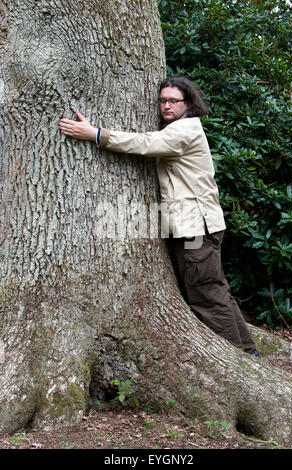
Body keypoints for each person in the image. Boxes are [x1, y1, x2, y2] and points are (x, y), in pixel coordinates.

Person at [59, 76, 260, 357]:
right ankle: (249, 354)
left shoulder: (185, 130)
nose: (166, 105)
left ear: (188, 103)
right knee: (214, 291)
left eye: (173, 100)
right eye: (163, 100)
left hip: (195, 231)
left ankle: (240, 359)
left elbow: (145, 144)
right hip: (194, 226)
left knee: (206, 294)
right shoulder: (181, 128)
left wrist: (96, 134)